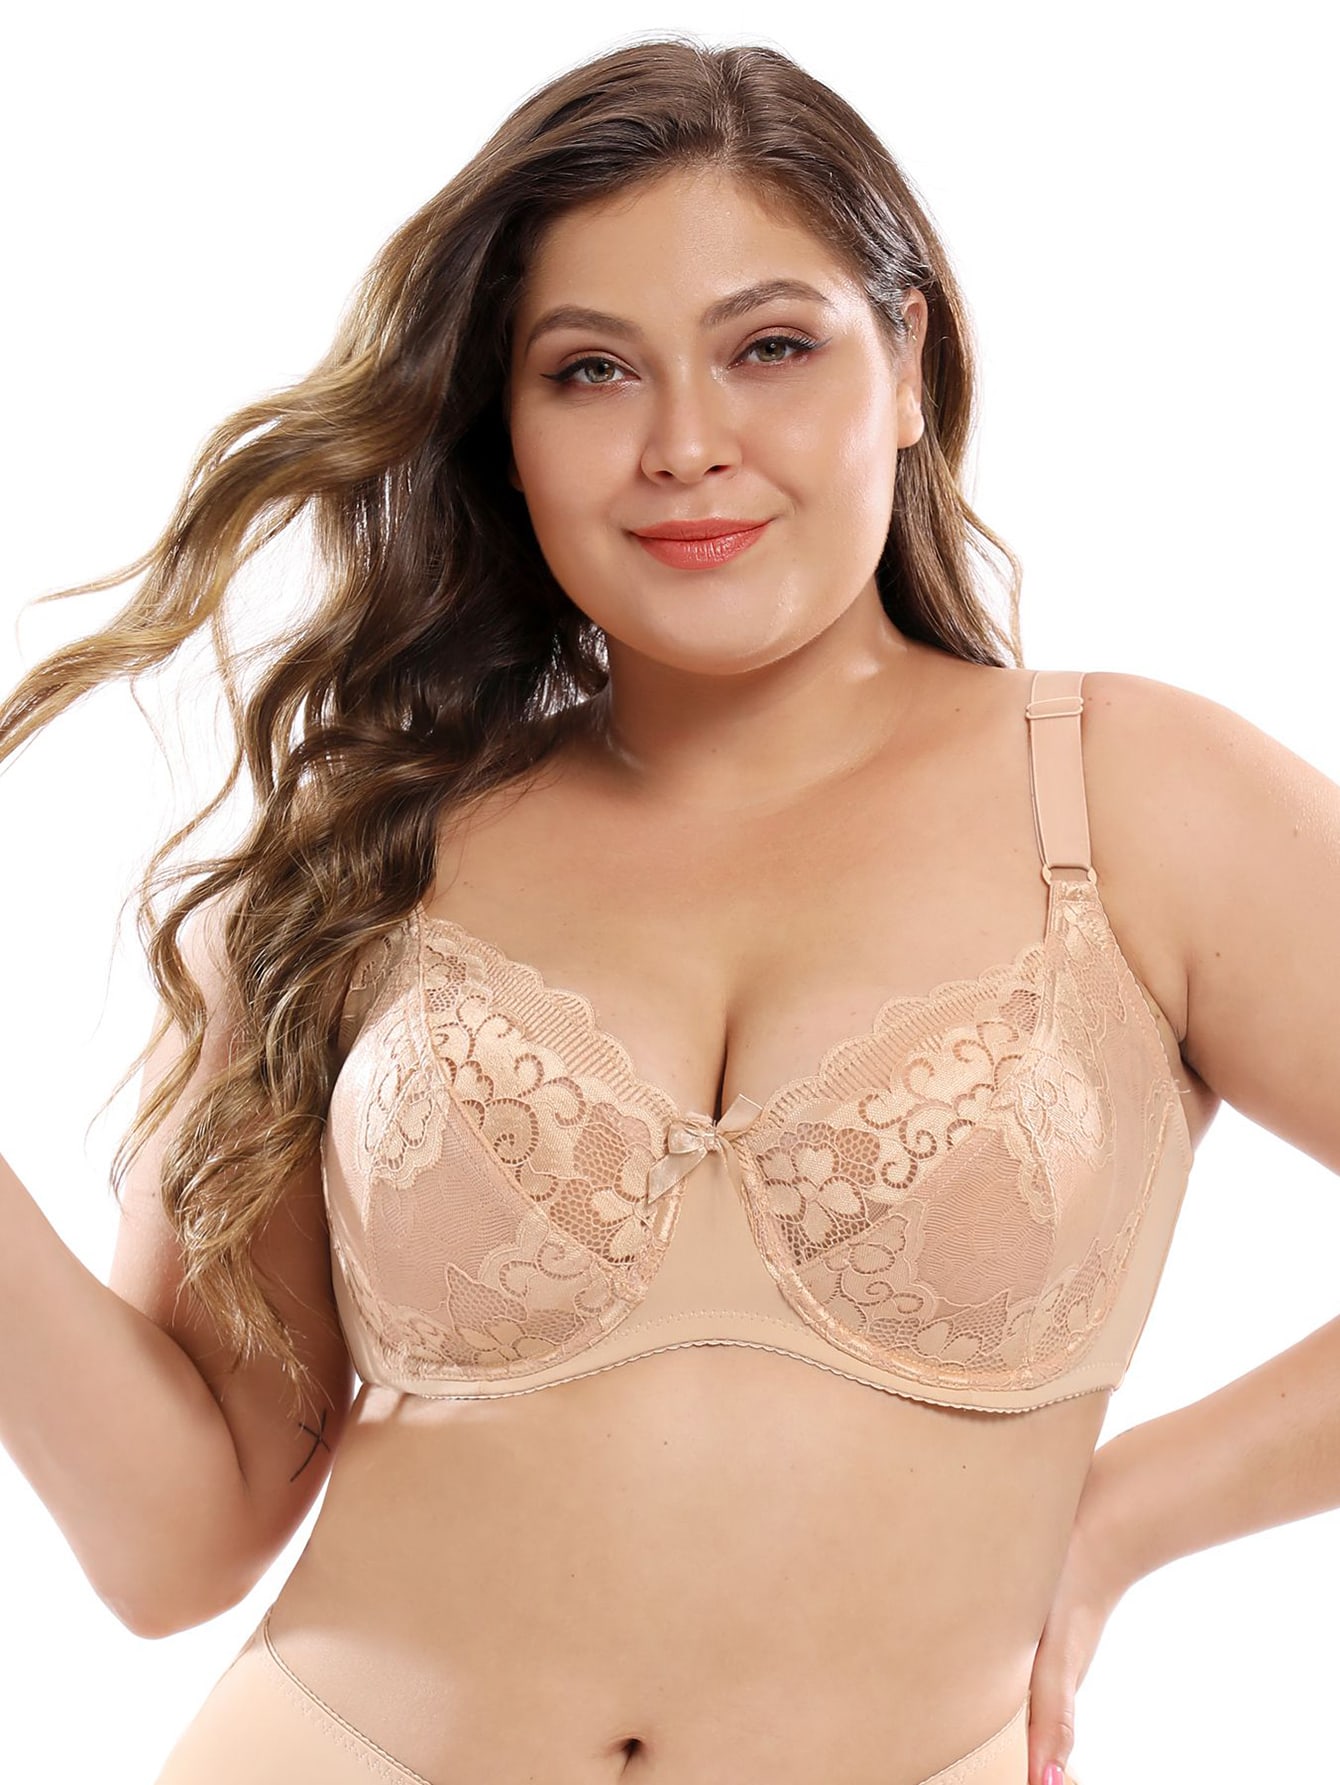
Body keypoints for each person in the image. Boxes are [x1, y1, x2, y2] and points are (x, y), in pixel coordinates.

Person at [1, 31, 1337, 1785]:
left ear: (908, 357)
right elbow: (176, 1540)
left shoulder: (1132, 801)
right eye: (590, 371)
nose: (686, 445)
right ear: (506, 429)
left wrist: (1124, 1516)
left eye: (770, 346)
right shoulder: (369, 849)